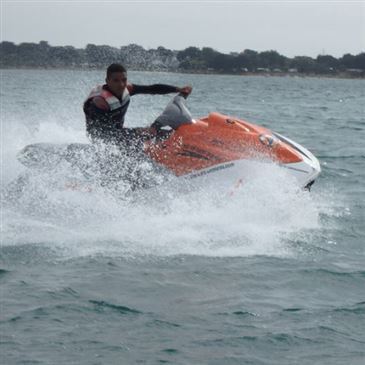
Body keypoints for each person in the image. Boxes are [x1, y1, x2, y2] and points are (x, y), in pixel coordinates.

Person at [83, 63, 192, 147]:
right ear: (107, 81)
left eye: (124, 80)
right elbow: (106, 134)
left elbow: (152, 89)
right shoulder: (100, 103)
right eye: (116, 81)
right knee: (148, 134)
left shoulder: (128, 89)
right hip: (102, 140)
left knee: (163, 134)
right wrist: (140, 132)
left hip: (119, 132)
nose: (121, 84)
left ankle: (184, 150)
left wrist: (178, 89)